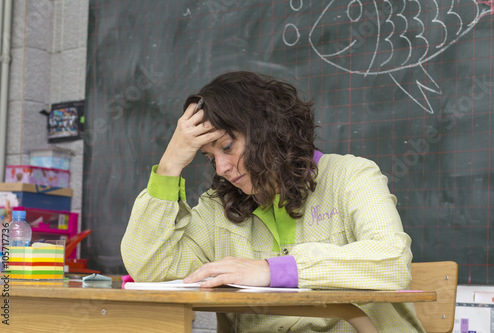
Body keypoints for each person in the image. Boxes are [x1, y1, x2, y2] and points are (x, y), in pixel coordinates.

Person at [121, 71, 425, 332]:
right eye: (209, 157)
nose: (221, 168)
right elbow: (152, 268)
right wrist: (169, 165)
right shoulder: (219, 207)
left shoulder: (351, 176)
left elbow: (392, 261)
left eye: (227, 146)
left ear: (267, 130)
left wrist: (273, 270)